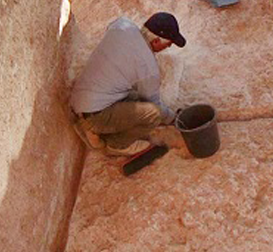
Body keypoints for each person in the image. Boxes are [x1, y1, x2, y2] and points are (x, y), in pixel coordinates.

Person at [71, 12, 186, 156]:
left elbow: (111, 31)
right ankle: (117, 145)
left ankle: (90, 126)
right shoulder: (148, 68)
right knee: (153, 114)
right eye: (168, 44)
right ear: (156, 41)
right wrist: (173, 118)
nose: (168, 47)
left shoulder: (122, 25)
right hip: (96, 115)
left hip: (80, 99)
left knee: (135, 96)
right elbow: (154, 104)